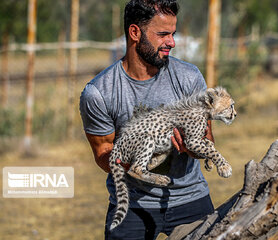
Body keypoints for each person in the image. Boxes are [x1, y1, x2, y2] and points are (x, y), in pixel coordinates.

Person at [79, 0, 215, 239]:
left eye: (173, 34)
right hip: (132, 206)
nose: (172, 42)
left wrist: (193, 147)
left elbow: (208, 140)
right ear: (135, 32)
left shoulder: (189, 78)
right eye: (163, 34)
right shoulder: (99, 92)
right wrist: (133, 159)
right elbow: (103, 153)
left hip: (191, 199)